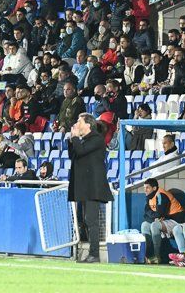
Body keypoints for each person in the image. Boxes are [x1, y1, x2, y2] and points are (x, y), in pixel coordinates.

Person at [68, 113, 112, 263]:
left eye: (79, 121)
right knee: (87, 220)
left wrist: (74, 138)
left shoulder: (97, 139)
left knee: (91, 220)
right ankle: (92, 254)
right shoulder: (85, 140)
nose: (76, 124)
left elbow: (80, 151)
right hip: (85, 186)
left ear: (88, 125)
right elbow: (74, 155)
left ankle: (95, 254)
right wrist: (71, 140)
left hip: (94, 186)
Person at [140, 177, 185, 264]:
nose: (145, 190)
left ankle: (157, 256)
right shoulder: (149, 196)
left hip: (176, 221)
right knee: (144, 225)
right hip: (165, 220)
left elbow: (159, 213)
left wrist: (154, 216)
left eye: (147, 188)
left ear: (154, 188)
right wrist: (154, 217)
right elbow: (146, 214)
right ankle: (147, 255)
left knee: (155, 225)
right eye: (144, 188)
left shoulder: (161, 195)